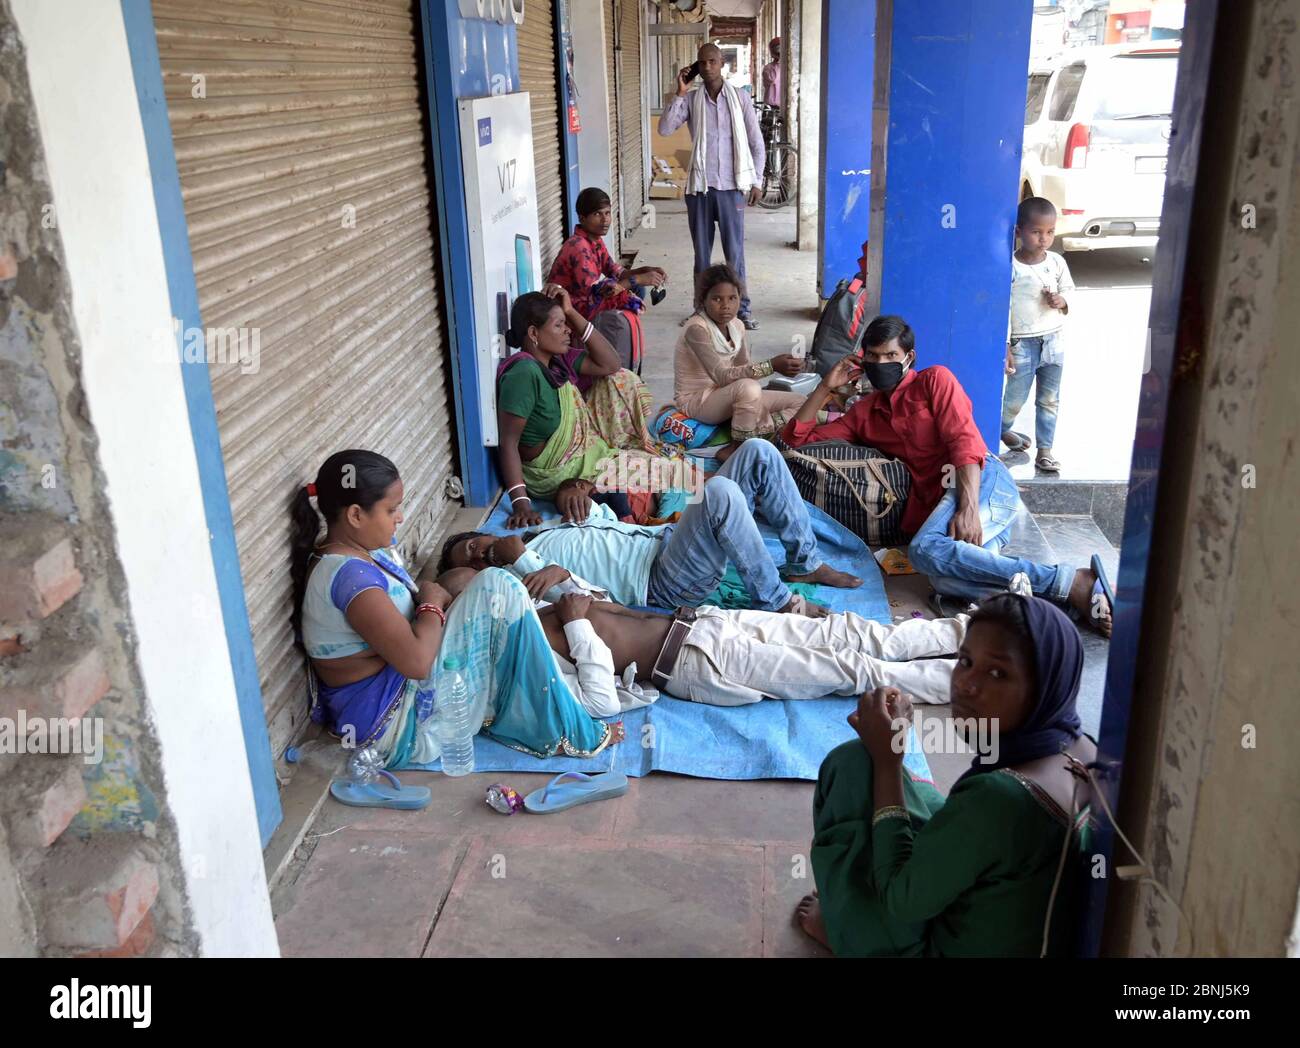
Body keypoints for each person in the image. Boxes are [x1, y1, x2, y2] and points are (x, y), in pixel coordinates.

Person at [795, 593, 1097, 957]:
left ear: (1045, 683)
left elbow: (899, 898)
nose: (966, 684)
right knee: (866, 767)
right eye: (966, 660)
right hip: (997, 911)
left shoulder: (1001, 798)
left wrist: (890, 760)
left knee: (853, 769)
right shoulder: (1085, 749)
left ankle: (847, 933)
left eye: (998, 673)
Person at [782, 315, 1112, 634]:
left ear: (908, 357)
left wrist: (968, 508)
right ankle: (1058, 606)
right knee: (945, 581)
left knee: (925, 551)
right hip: (940, 505)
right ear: (862, 359)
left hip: (981, 483)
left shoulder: (934, 381)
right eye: (873, 356)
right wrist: (826, 386)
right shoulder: (866, 413)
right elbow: (797, 440)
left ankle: (1068, 581)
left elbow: (964, 442)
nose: (881, 363)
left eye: (890, 355)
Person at [289, 450, 616, 766]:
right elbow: (417, 663)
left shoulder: (352, 556)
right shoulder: (351, 579)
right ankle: (564, 730)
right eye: (391, 510)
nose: (400, 518)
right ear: (356, 515)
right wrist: (431, 604)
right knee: (499, 589)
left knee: (493, 595)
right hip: (398, 727)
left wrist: (436, 604)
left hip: (401, 695)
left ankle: (534, 709)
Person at [437, 565, 967, 712]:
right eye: (482, 593)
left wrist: (567, 583)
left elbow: (611, 607)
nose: (500, 589)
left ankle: (970, 632)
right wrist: (575, 625)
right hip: (694, 664)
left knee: (844, 632)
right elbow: (598, 703)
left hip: (705, 622)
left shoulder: (537, 607)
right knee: (849, 670)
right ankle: (967, 682)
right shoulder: (528, 656)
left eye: (493, 582)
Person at [441, 438, 862, 618]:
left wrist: (584, 496)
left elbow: (611, 525)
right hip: (661, 583)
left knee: (758, 451)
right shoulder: (514, 583)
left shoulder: (544, 529)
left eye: (475, 544)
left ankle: (804, 561)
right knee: (720, 495)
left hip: (664, 542)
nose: (480, 553)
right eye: (473, 561)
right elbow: (574, 599)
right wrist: (516, 558)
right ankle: (779, 603)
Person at [496, 286, 697, 528]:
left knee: (620, 379)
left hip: (587, 456)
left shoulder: (558, 361)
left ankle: (672, 521)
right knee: (679, 479)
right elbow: (508, 442)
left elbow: (611, 364)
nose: (568, 329)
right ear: (533, 333)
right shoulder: (524, 373)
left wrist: (570, 311)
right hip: (555, 473)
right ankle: (667, 530)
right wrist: (521, 504)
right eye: (559, 325)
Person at [658, 43, 766, 330]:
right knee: (702, 255)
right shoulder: (692, 100)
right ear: (696, 66)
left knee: (735, 253)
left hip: (732, 187)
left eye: (712, 62)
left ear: (722, 64)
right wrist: (679, 92)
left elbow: (756, 142)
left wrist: (757, 180)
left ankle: (741, 309)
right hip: (701, 188)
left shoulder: (740, 99)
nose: (707, 67)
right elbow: (665, 129)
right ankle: (701, 310)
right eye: (702, 63)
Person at [674, 264, 805, 457]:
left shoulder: (737, 325)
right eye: (717, 299)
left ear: (740, 300)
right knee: (749, 388)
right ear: (703, 301)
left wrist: (785, 365)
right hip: (696, 401)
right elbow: (722, 377)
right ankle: (737, 449)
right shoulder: (697, 329)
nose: (725, 305)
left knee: (800, 402)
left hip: (726, 395)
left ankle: (758, 432)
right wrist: (772, 366)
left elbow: (744, 368)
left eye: (732, 298)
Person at [546, 187, 667, 374]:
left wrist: (646, 271)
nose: (605, 220)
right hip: (570, 311)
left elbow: (615, 272)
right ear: (582, 218)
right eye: (597, 214)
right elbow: (595, 296)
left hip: (586, 302)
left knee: (637, 290)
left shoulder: (594, 240)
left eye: (607, 213)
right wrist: (638, 279)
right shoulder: (578, 247)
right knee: (631, 293)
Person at [1002, 197, 1076, 473]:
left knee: (1049, 399)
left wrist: (1062, 301)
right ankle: (1001, 428)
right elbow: (1005, 308)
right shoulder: (1012, 267)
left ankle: (1045, 451)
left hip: (1053, 340)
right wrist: (1006, 345)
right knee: (1014, 400)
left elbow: (1069, 289)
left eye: (1050, 232)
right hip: (1023, 343)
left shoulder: (1056, 262)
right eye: (1036, 232)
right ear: (1019, 231)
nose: (1044, 238)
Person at [761, 36, 782, 108]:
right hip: (771, 106)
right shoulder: (768, 68)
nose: (779, 51)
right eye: (777, 48)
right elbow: (773, 79)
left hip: (784, 105)